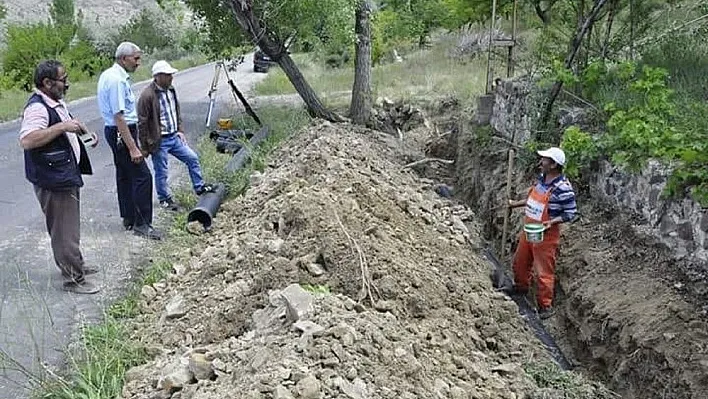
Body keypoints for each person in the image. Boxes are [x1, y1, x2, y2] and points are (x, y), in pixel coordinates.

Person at [20, 60, 100, 294]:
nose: (67, 84)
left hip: (62, 174)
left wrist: (85, 136)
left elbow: (67, 127)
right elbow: (27, 140)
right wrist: (62, 127)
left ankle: (76, 265)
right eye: (63, 79)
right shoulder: (37, 108)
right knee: (64, 229)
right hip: (53, 179)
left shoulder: (54, 102)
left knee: (69, 227)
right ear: (47, 83)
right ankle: (73, 279)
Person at [97, 42, 163, 239]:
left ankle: (129, 217)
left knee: (125, 175)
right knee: (143, 176)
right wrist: (133, 147)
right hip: (121, 131)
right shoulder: (117, 80)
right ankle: (142, 224)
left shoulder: (108, 75)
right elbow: (119, 117)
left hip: (115, 130)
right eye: (136, 58)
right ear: (123, 58)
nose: (138, 63)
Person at [507, 147, 577, 319]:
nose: (541, 162)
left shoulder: (563, 188)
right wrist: (515, 203)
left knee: (543, 271)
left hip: (545, 235)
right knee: (520, 261)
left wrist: (551, 222)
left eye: (545, 159)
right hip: (529, 229)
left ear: (553, 165)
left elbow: (571, 213)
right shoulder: (542, 179)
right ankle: (521, 287)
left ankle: (545, 306)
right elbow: (532, 201)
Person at [137, 60, 215, 211]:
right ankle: (164, 199)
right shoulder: (147, 96)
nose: (171, 77)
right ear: (158, 76)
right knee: (162, 171)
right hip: (159, 140)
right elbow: (142, 123)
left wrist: (180, 129)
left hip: (174, 137)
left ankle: (199, 187)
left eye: (171, 75)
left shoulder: (170, 89)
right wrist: (145, 146)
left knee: (192, 158)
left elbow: (176, 111)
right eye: (168, 75)